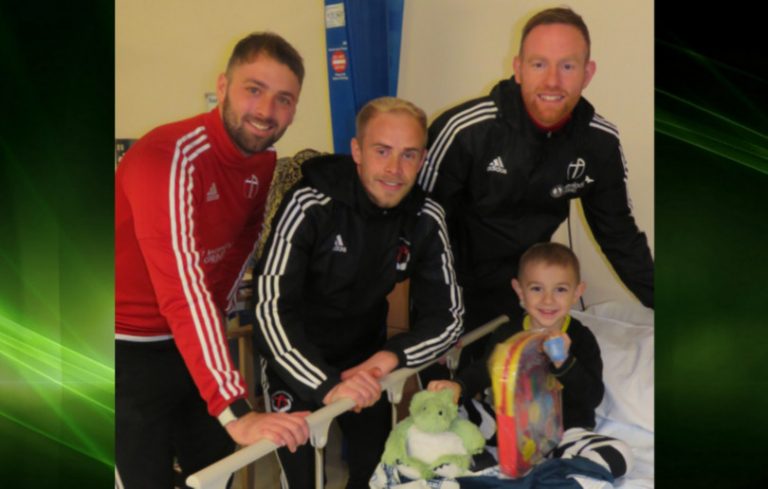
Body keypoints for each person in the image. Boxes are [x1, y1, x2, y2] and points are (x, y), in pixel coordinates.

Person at [115, 32, 311, 488]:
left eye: (284, 99)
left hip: (188, 341)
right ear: (222, 87)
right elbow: (183, 288)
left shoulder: (262, 163)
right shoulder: (168, 157)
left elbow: (234, 255)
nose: (266, 111)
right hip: (124, 343)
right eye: (253, 89)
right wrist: (236, 408)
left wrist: (214, 345)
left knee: (213, 471)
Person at [417, 7, 654, 365]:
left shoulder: (598, 143)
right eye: (539, 64)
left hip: (527, 292)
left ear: (588, 73)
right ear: (518, 68)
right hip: (452, 287)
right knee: (448, 401)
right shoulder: (466, 131)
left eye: (568, 66)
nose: (553, 81)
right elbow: (420, 227)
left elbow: (619, 236)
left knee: (528, 400)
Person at [252, 97, 464, 488]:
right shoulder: (309, 203)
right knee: (304, 481)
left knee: (373, 470)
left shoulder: (425, 216)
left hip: (366, 360)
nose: (394, 170)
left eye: (409, 155)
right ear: (357, 151)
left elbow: (449, 318)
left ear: (423, 158)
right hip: (296, 357)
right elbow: (268, 309)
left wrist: (389, 358)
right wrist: (327, 386)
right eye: (381, 151)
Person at [429, 242, 633, 478]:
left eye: (560, 290)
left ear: (578, 292)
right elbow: (485, 369)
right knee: (448, 412)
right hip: (509, 428)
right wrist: (459, 386)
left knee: (618, 455)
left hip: (565, 434)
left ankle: (550, 476)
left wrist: (563, 362)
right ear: (519, 290)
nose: (548, 300)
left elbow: (592, 396)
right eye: (537, 289)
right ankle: (485, 465)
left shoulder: (580, 338)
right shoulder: (508, 333)